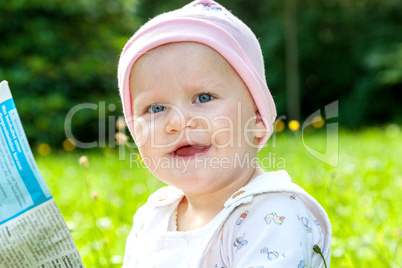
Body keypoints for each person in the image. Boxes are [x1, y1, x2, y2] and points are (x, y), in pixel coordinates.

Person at [117, 0, 331, 267]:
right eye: (155, 107)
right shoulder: (152, 218)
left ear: (256, 119)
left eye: (203, 97)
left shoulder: (273, 215)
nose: (178, 121)